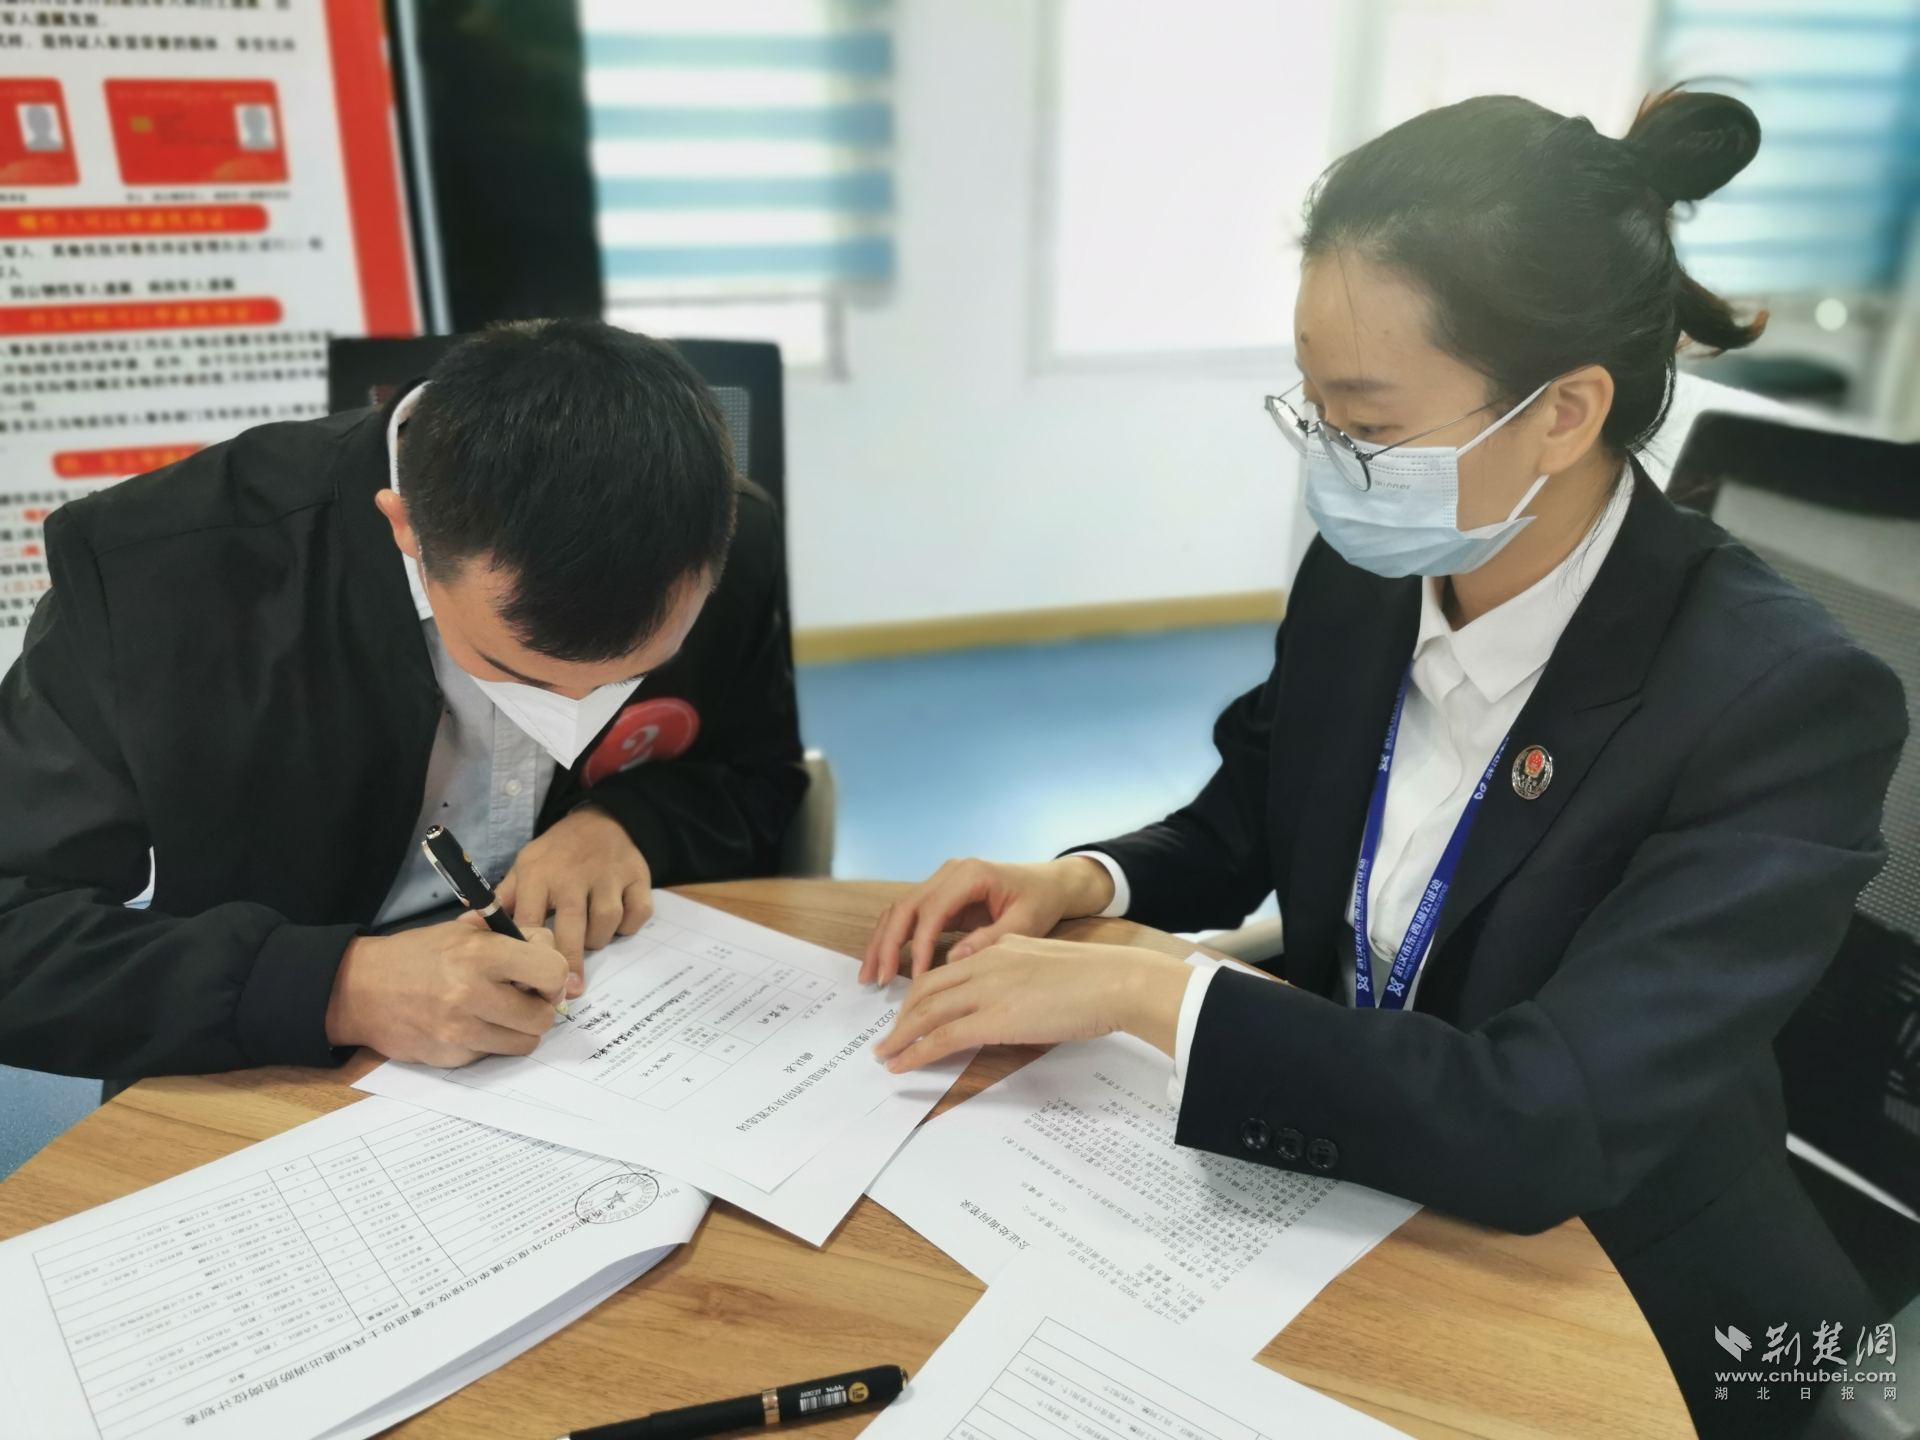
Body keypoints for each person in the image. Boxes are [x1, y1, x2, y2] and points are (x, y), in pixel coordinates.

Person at [860, 92, 1907, 1437]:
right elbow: (1254, 814)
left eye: (1363, 420)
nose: (1328, 460)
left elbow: (1545, 1118)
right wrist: (1086, 882)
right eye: (1310, 407)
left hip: (1607, 1281)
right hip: (1343, 1188)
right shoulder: (1376, 572)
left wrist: (1145, 989)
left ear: (1563, 412)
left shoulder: (1781, 702)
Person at [0, 320, 805, 1081]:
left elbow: (755, 777)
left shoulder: (735, 542)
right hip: (270, 1057)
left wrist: (626, 821)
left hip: (601, 1021)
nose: (576, 715)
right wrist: (337, 988)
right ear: (407, 526)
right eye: (516, 673)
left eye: (630, 677)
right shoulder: (157, 576)